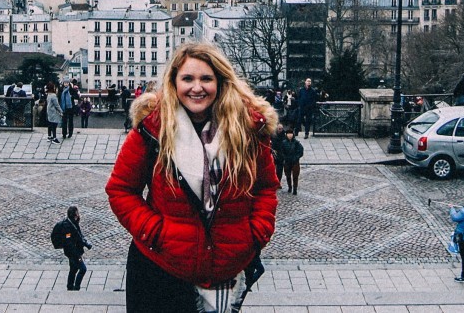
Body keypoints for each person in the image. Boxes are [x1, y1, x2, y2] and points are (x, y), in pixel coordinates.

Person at [106, 41, 279, 313]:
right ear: (174, 83)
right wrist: (156, 232)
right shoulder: (154, 127)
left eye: (206, 79)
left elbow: (266, 187)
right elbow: (120, 189)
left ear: (221, 82)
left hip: (226, 266)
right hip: (160, 267)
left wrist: (254, 234)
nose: (196, 87)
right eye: (187, 78)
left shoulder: (247, 128)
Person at [55, 205, 91, 291]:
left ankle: (70, 287)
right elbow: (69, 242)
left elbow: (78, 236)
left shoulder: (73, 223)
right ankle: (76, 288)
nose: (79, 214)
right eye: (77, 213)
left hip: (73, 252)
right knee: (83, 269)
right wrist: (76, 254)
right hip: (73, 253)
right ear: (74, 214)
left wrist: (85, 244)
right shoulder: (68, 226)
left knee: (73, 269)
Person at [280, 128, 304, 195]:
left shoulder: (297, 143)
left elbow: (301, 151)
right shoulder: (284, 143)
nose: (290, 135)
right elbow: (281, 152)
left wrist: (296, 157)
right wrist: (285, 157)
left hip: (295, 162)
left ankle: (295, 188)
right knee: (288, 175)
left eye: (291, 134)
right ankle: (289, 186)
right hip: (287, 162)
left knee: (295, 176)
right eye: (288, 134)